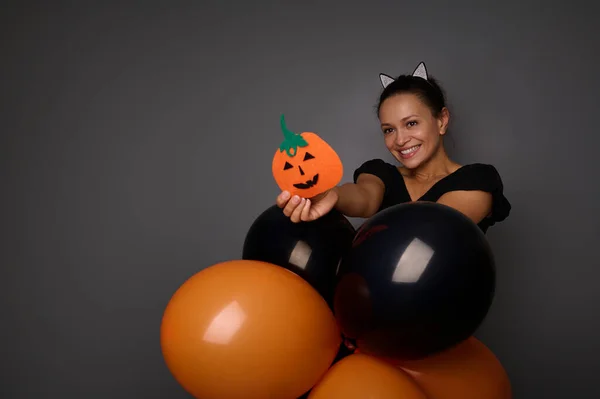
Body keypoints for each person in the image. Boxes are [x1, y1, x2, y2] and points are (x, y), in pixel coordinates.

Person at [275, 62, 511, 233]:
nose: (399, 140)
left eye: (411, 123)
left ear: (442, 120)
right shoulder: (381, 174)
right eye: (389, 130)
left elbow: (433, 225)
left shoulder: (478, 180)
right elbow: (364, 197)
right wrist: (330, 195)